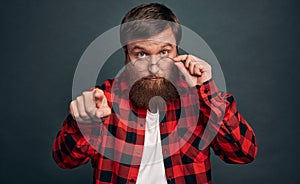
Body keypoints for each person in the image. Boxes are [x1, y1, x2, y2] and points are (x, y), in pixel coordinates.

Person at [52, 3, 258, 184]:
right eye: (141, 54)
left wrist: (207, 91)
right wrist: (84, 123)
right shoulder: (101, 101)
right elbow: (65, 160)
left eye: (164, 52)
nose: (153, 67)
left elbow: (243, 153)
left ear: (178, 53)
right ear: (126, 55)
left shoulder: (199, 99)